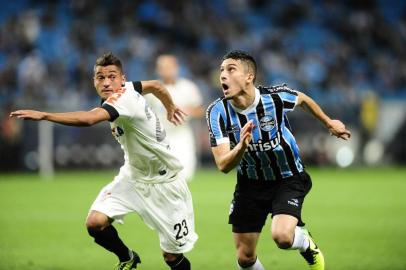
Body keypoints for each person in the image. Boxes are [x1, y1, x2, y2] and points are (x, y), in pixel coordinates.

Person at [10, 52, 198, 270]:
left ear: (122, 78)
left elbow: (89, 119)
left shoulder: (124, 98)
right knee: (95, 222)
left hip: (165, 184)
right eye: (101, 77)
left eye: (112, 76)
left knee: (171, 257)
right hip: (133, 176)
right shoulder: (129, 88)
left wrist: (44, 115)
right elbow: (156, 86)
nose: (107, 82)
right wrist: (169, 107)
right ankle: (127, 257)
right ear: (94, 81)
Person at [206, 50, 351, 270]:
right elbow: (223, 165)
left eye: (230, 69)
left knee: (282, 237)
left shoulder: (274, 98)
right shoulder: (216, 112)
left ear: (249, 76)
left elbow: (302, 99)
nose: (223, 76)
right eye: (221, 71)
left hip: (287, 177)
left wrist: (328, 122)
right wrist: (242, 147)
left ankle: (305, 243)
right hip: (249, 184)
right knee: (245, 258)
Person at [145, 54, 204, 181]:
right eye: (163, 67)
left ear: (177, 67)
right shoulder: (152, 89)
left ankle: (180, 200)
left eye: (170, 67)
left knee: (185, 173)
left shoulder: (188, 87)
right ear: (158, 69)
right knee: (161, 175)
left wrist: (187, 111)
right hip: (160, 137)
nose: (167, 70)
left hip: (182, 135)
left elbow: (201, 110)